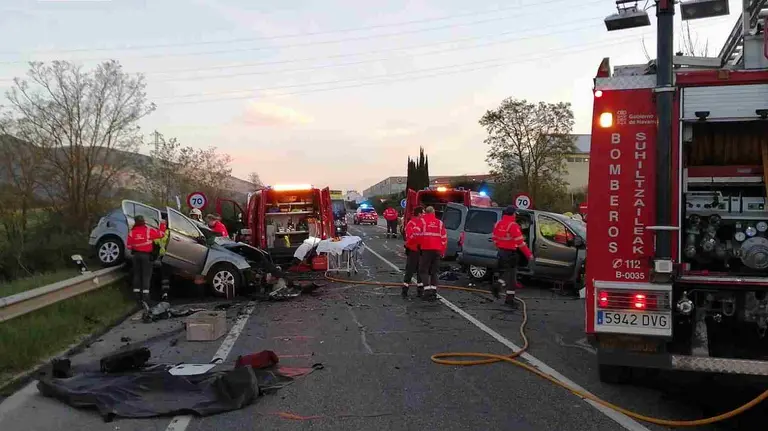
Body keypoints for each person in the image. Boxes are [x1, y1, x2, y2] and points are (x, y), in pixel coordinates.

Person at [491, 206, 534, 306]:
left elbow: (494, 239)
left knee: (510, 276)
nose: (516, 215)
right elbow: (521, 243)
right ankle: (499, 288)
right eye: (515, 213)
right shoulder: (513, 226)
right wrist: (529, 255)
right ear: (513, 214)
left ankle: (507, 297)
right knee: (510, 276)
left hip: (501, 252)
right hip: (510, 253)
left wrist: (500, 246)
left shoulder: (498, 224)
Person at [126, 215, 163, 303]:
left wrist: (137, 245)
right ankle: (145, 297)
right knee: (146, 276)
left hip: (136, 256)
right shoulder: (148, 231)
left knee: (137, 275)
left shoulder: (132, 232)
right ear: (143, 221)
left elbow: (128, 246)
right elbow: (161, 234)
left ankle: (136, 295)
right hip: (146, 256)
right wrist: (162, 224)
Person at [417, 206, 447, 301]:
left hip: (426, 249)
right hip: (437, 250)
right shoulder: (440, 223)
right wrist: (442, 251)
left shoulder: (422, 221)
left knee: (423, 270)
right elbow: (444, 238)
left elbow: (417, 234)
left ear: (425, 212)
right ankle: (434, 292)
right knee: (434, 272)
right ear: (434, 212)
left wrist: (418, 245)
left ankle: (426, 291)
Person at [402, 206, 424, 298]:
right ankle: (405, 290)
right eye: (422, 213)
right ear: (419, 214)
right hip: (413, 250)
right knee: (410, 271)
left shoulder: (422, 223)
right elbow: (409, 237)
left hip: (420, 250)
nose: (423, 214)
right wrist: (419, 241)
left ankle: (420, 291)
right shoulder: (411, 223)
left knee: (420, 271)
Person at [153, 218, 172, 300]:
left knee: (163, 276)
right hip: (167, 257)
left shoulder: (158, 233)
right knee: (166, 276)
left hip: (161, 256)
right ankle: (165, 294)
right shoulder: (169, 232)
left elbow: (155, 241)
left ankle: (163, 293)